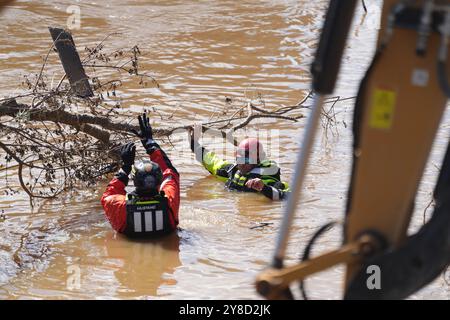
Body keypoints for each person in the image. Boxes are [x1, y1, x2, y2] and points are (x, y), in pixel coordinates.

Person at [101, 114, 180, 237]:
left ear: (134, 181)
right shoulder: (170, 201)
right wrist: (150, 143)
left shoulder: (120, 206)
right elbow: (170, 172)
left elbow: (108, 195)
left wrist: (125, 167)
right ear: (159, 181)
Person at [188, 124, 289, 200]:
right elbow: (211, 161)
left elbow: (286, 196)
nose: (242, 163)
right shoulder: (233, 171)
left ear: (258, 160)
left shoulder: (268, 176)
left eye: (247, 160)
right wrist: (193, 142)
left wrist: (263, 188)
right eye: (239, 159)